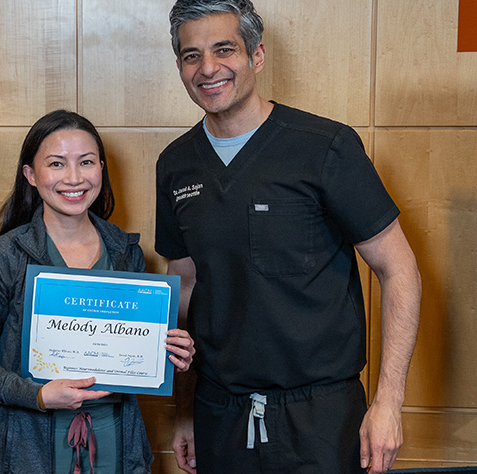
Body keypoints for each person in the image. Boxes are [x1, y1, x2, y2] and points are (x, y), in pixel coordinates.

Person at [157, 1, 422, 474]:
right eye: (191, 55)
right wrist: (184, 408)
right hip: (220, 415)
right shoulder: (175, 164)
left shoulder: (325, 147)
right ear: (179, 66)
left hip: (322, 418)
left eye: (224, 49)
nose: (208, 68)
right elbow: (185, 291)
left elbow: (398, 268)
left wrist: (388, 403)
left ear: (256, 55)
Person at [0, 109, 195, 474]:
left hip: (115, 442)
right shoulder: (7, 255)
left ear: (101, 169)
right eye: (56, 164)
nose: (74, 177)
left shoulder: (126, 253)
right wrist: (37, 395)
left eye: (86, 162)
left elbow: (135, 354)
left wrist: (171, 353)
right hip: (26, 446)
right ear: (31, 175)